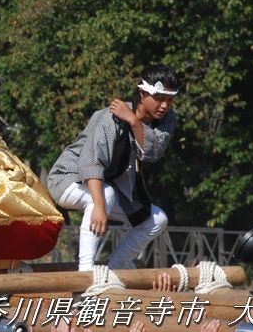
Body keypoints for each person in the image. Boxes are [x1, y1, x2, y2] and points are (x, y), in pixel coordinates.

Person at [47, 64, 181, 271]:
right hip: (67, 179)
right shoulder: (110, 117)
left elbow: (153, 153)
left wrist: (134, 122)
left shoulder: (165, 120)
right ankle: (86, 275)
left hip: (106, 187)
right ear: (142, 92)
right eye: (159, 98)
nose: (164, 105)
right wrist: (99, 207)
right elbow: (91, 162)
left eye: (170, 100)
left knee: (157, 219)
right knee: (105, 195)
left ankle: (115, 267)